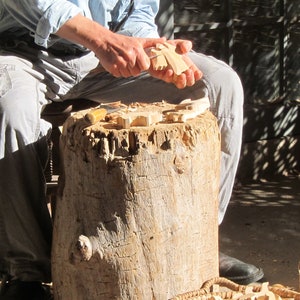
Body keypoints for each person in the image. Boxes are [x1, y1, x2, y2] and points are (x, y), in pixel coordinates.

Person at [0, 0, 264, 298]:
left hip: (96, 60)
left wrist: (147, 48)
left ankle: (199, 240)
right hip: (20, 53)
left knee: (219, 84)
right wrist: (102, 39)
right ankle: (26, 270)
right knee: (9, 107)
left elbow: (137, 12)